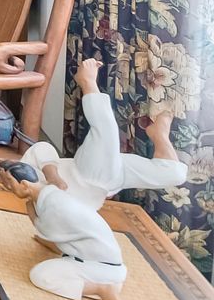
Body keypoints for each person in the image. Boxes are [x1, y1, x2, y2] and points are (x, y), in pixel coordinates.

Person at [22, 59, 187, 209]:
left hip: (86, 173)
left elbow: (40, 148)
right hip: (109, 181)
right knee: (176, 174)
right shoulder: (42, 208)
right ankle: (159, 136)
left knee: (106, 131)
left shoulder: (29, 173)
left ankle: (87, 83)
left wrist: (53, 178)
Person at [0, 160, 126, 300]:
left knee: (40, 275)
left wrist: (30, 211)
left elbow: (43, 228)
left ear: (25, 185)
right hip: (95, 258)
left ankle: (101, 288)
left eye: (10, 183)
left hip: (102, 267)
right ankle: (101, 282)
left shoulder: (54, 205)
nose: (7, 187)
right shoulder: (50, 195)